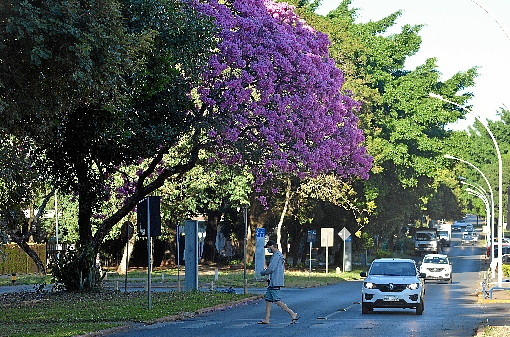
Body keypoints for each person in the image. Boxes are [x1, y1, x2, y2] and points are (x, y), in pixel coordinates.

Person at [258, 240, 299, 325]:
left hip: (275, 281)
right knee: (268, 299)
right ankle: (266, 319)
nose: (268, 249)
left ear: (272, 246)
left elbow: (271, 269)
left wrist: (263, 272)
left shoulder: (276, 256)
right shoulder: (278, 255)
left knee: (276, 300)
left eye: (269, 248)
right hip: (273, 280)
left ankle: (292, 313)